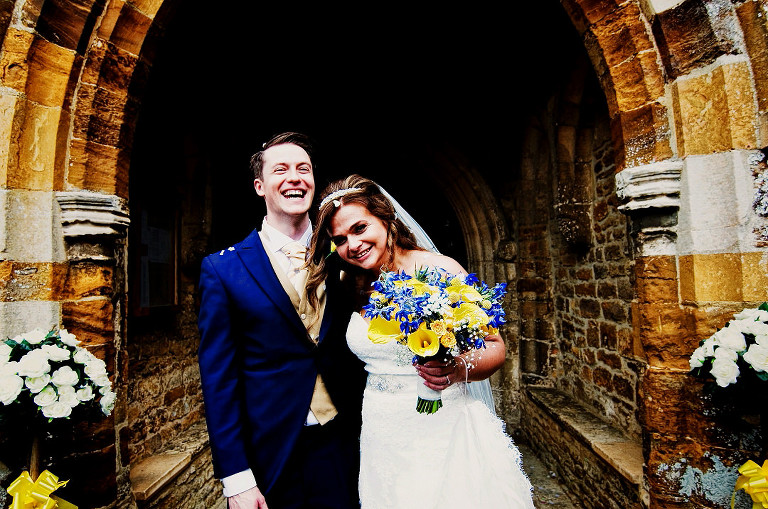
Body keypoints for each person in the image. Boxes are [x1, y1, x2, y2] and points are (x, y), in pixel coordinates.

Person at [305, 175, 535, 509]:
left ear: (385, 219)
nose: (352, 245)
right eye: (339, 239)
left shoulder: (440, 270)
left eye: (359, 228)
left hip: (441, 426)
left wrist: (456, 368)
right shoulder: (349, 283)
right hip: (381, 430)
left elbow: (495, 347)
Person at [197, 133, 366, 509]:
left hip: (346, 440)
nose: (295, 177)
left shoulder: (349, 254)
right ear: (260, 186)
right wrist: (235, 477)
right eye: (281, 170)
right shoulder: (223, 269)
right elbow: (219, 379)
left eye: (303, 169)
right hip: (270, 450)